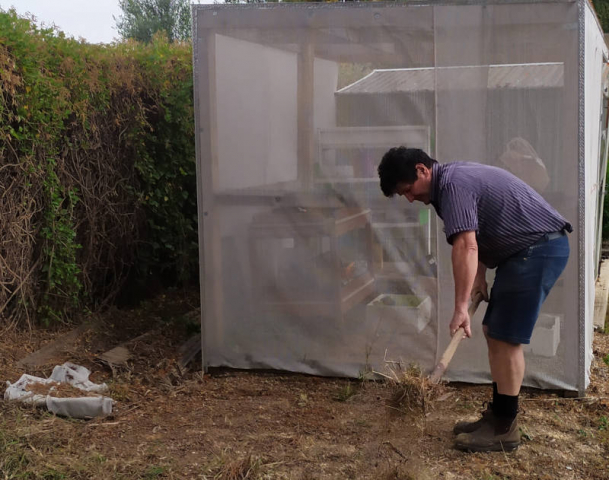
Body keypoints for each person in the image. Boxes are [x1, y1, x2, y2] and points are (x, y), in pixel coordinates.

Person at [377, 147, 571, 452]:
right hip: (523, 252)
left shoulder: (453, 185)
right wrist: (479, 278)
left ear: (422, 170)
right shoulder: (449, 184)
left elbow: (466, 246)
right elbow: (479, 234)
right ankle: (498, 416)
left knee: (505, 338)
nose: (410, 199)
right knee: (494, 331)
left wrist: (460, 308)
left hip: (538, 250)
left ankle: (506, 429)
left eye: (408, 190)